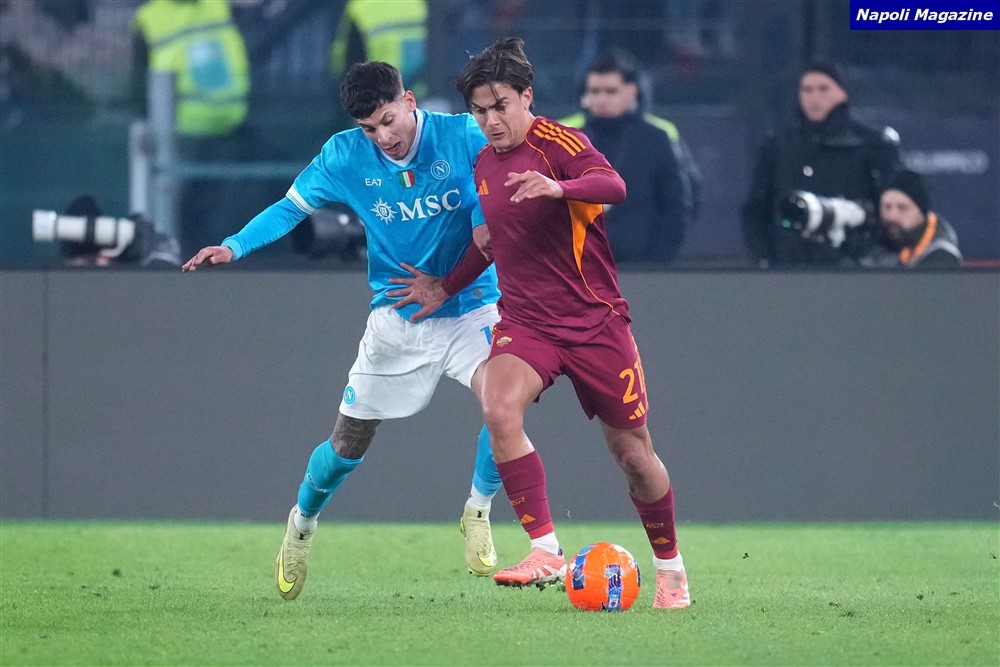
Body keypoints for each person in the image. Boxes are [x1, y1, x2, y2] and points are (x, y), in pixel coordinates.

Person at [181, 61, 504, 599]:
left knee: (505, 407)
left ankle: (478, 509)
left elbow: (496, 193)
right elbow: (290, 208)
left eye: (388, 120)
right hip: (396, 317)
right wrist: (234, 246)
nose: (383, 137)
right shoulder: (343, 155)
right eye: (369, 128)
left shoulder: (464, 136)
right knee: (347, 444)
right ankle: (301, 525)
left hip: (471, 308)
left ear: (409, 101)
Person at [392, 38, 690, 609]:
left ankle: (670, 570)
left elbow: (615, 186)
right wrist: (445, 286)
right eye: (479, 111)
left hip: (595, 322)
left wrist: (560, 188)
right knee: (498, 408)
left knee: (633, 454)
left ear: (526, 97)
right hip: (528, 322)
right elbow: (492, 242)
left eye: (500, 106)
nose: (490, 121)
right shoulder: (484, 162)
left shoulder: (561, 144)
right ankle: (545, 549)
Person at [741, 60, 902, 267]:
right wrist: (765, 258)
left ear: (843, 93)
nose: (814, 98)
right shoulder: (779, 147)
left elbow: (895, 208)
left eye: (824, 89)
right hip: (790, 268)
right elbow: (756, 210)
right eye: (807, 90)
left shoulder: (873, 144)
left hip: (856, 269)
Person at [131, 0, 258, 255]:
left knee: (228, 218)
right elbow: (139, 84)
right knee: (181, 221)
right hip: (179, 136)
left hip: (230, 128)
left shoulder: (218, 5)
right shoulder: (150, 18)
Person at [561, 48, 701, 264]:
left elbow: (678, 206)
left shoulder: (658, 138)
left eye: (611, 91)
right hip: (575, 268)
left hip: (642, 267)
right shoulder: (565, 138)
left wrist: (658, 262)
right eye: (594, 91)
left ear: (632, 91)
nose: (601, 99)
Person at [858, 170, 963, 268]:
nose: (892, 216)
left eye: (902, 208)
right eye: (887, 207)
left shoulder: (942, 257)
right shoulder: (877, 243)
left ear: (922, 213)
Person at [330, 0, 428, 97]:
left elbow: (348, 56)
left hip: (376, 94)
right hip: (416, 93)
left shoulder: (360, 7)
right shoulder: (416, 3)